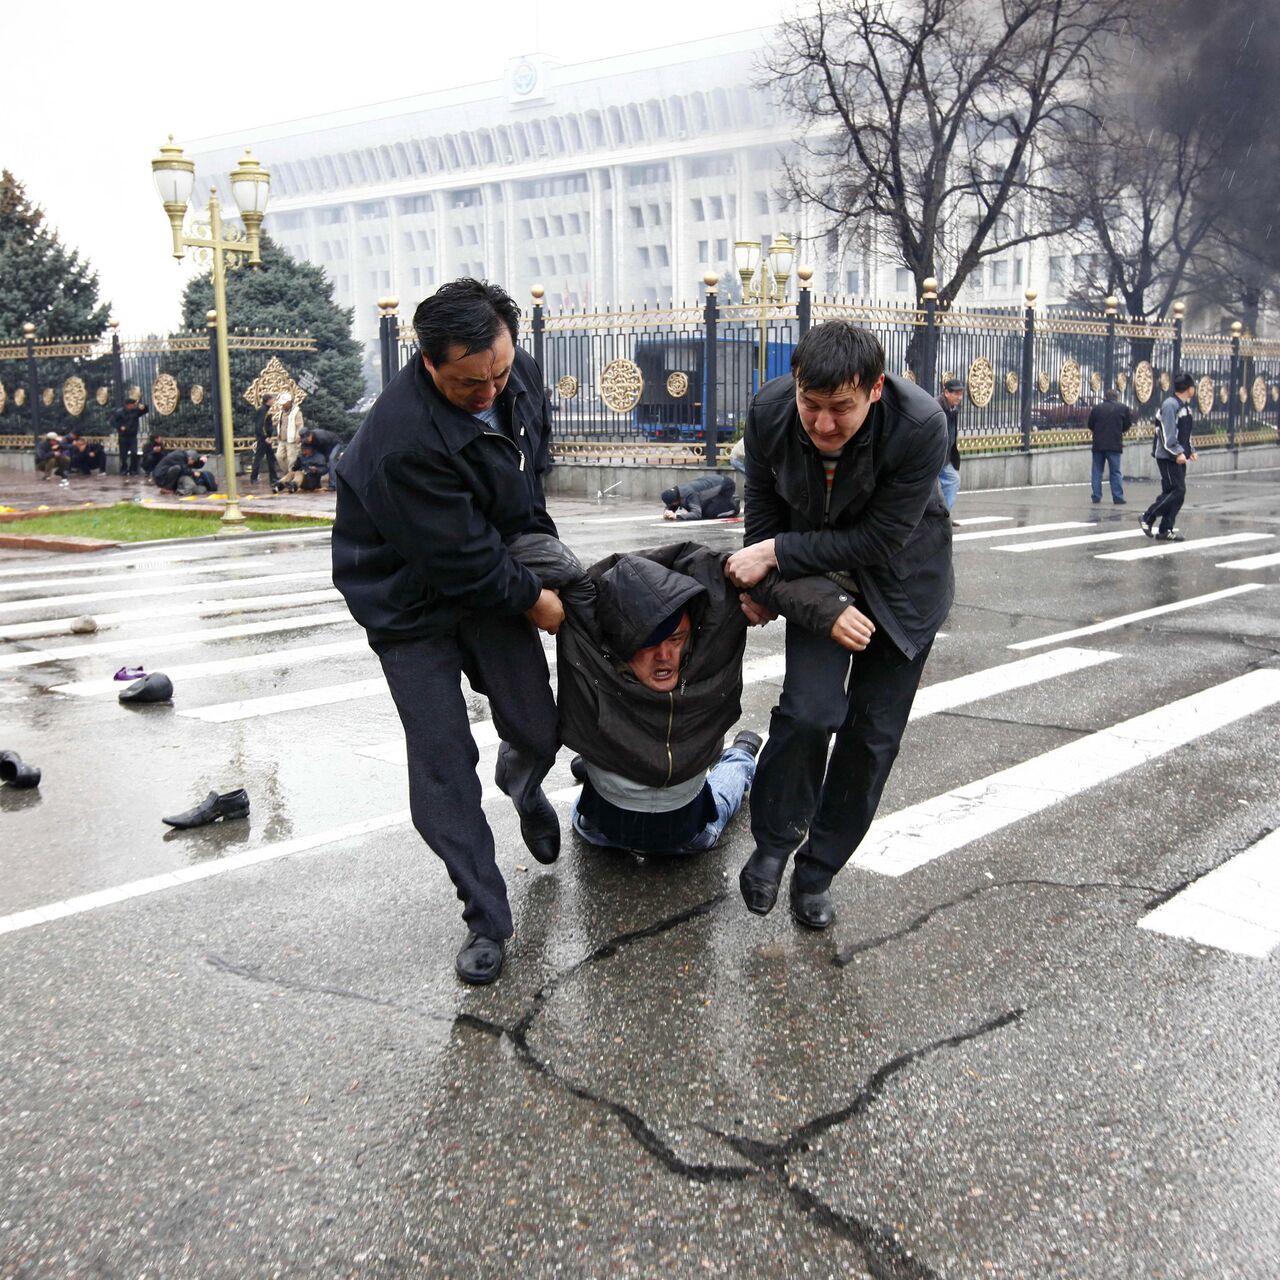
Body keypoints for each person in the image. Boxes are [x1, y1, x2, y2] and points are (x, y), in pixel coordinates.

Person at [331, 278, 563, 988]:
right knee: (442, 759)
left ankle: (523, 780)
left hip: (483, 565)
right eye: (469, 381)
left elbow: (527, 477)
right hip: (407, 601)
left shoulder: (509, 371)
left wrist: (544, 552)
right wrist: (537, 601)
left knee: (540, 724)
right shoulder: (403, 441)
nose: (490, 388)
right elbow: (462, 562)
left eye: (498, 370)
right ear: (429, 364)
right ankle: (485, 916)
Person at [725, 321, 953, 930]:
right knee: (809, 711)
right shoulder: (770, 413)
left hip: (902, 588)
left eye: (841, 409)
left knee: (870, 741)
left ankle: (818, 869)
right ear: (795, 385)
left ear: (875, 389)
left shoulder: (921, 424)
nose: (823, 425)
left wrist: (774, 559)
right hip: (820, 589)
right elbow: (760, 533)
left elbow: (880, 539)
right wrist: (775, 590)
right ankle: (774, 843)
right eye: (812, 405)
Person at [546, 540, 854, 858]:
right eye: (648, 644)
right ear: (621, 640)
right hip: (601, 832)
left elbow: (751, 574)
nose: (665, 657)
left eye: (676, 639)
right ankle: (609, 765)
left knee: (723, 790)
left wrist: (829, 609)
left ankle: (742, 755)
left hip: (685, 836)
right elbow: (536, 551)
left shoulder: (704, 656)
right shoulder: (594, 653)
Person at [1141, 373, 1197, 542]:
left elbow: (1185, 432)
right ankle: (1148, 517)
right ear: (1188, 388)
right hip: (1168, 457)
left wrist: (1190, 450)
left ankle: (1165, 529)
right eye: (1193, 386)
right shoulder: (1170, 405)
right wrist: (1177, 452)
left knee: (1173, 493)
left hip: (1179, 456)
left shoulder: (1184, 406)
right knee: (1178, 490)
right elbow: (1166, 433)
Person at [1086, 389, 1131, 505]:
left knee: (1097, 471)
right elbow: (1127, 425)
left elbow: (1090, 424)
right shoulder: (1123, 408)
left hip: (1098, 444)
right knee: (1115, 472)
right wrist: (1118, 431)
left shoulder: (1097, 408)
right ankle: (1117, 497)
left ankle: (1096, 496)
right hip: (1114, 444)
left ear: (1105, 397)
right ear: (1116, 398)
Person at [936, 377, 964, 514]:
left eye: (960, 393)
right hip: (934, 456)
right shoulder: (937, 407)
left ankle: (944, 516)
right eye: (956, 393)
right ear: (946, 392)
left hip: (944, 457)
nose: (959, 397)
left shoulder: (952, 409)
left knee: (952, 480)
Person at [660, 474, 739, 521]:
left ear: (676, 500)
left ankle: (733, 506)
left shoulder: (689, 494)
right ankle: (725, 503)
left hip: (726, 486)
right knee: (704, 509)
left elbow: (697, 514)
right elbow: (671, 505)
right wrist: (667, 512)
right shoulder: (677, 493)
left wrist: (677, 516)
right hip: (715, 484)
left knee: (710, 513)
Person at [111, 397, 148, 478]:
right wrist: (120, 427)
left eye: (134, 404)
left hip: (132, 436)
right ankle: (123, 469)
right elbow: (112, 421)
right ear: (128, 405)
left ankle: (133, 469)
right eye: (132, 404)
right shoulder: (119, 412)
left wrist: (143, 406)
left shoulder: (135, 411)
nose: (133, 406)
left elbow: (145, 410)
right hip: (123, 436)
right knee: (123, 455)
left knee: (134, 453)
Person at [250, 394, 280, 485]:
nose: (273, 401)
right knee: (259, 458)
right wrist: (265, 437)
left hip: (266, 438)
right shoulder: (263, 410)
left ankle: (273, 477)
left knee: (271, 457)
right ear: (268, 400)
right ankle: (254, 477)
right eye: (272, 399)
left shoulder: (266, 409)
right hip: (264, 439)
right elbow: (260, 425)